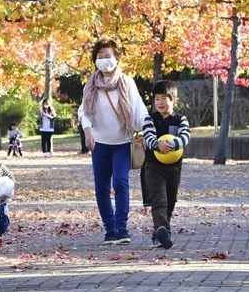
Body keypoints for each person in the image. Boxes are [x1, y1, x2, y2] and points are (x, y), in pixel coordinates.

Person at [77, 39, 148, 245]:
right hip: (99, 143)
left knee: (120, 182)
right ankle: (110, 229)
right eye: (100, 57)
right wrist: (88, 132)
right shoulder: (90, 86)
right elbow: (85, 112)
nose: (104, 60)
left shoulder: (127, 82)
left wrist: (147, 128)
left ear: (117, 58)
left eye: (108, 56)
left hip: (122, 142)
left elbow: (138, 110)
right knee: (101, 188)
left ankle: (122, 227)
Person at [139, 79, 192, 249]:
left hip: (174, 168)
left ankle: (160, 234)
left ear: (173, 100)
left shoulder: (180, 119)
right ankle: (162, 228)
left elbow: (185, 136)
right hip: (153, 167)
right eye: (157, 99)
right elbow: (148, 137)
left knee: (170, 200)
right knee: (159, 200)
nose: (160, 102)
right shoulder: (150, 119)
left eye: (164, 98)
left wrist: (173, 144)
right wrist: (157, 145)